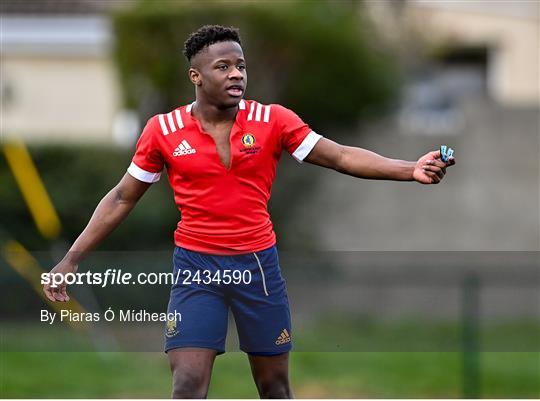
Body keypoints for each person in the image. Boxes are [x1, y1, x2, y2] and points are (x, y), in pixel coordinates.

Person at [43, 25, 455, 398]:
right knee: (187, 383)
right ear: (196, 77)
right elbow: (121, 198)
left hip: (258, 268)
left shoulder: (274, 121)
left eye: (241, 65)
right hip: (195, 269)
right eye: (222, 66)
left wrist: (409, 169)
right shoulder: (162, 131)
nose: (236, 74)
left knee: (274, 386)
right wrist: (71, 260)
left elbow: (342, 156)